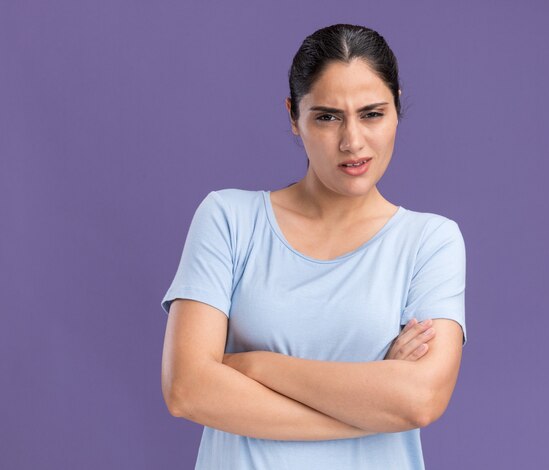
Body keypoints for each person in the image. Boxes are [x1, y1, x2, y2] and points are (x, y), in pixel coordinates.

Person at [160, 23, 467, 470]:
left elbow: (420, 401)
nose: (352, 141)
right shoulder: (228, 220)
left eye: (372, 113)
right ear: (293, 116)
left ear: (397, 107)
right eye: (327, 116)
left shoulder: (430, 242)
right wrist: (373, 407)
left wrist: (256, 366)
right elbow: (187, 390)